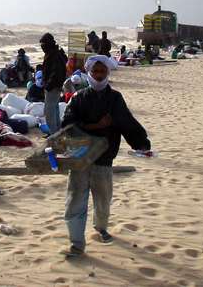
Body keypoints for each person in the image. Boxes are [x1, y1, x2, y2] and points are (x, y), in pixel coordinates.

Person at [60, 55, 151, 257]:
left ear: (107, 73)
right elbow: (67, 126)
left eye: (103, 72)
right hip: (80, 160)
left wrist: (142, 143)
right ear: (89, 73)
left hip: (104, 158)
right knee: (75, 201)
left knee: (103, 199)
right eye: (95, 72)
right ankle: (76, 244)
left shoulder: (115, 98)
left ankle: (100, 228)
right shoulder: (79, 97)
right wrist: (95, 126)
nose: (99, 75)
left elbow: (127, 123)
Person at [40, 33, 67, 134]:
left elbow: (56, 72)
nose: (42, 47)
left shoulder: (54, 55)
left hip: (53, 87)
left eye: (43, 44)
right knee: (54, 110)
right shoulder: (52, 53)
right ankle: (57, 131)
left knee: (49, 112)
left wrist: (48, 85)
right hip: (53, 86)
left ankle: (54, 135)